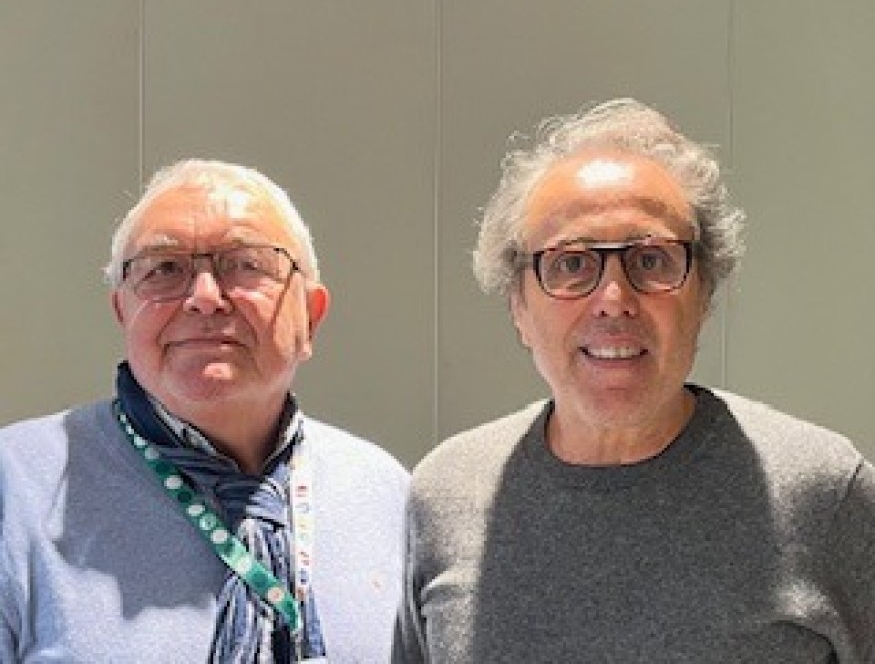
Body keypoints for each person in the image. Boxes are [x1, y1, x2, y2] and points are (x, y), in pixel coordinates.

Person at [393, 99, 875, 662]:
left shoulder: (825, 495)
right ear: (518, 305)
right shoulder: (446, 494)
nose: (614, 299)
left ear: (704, 293)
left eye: (651, 260)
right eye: (571, 263)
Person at [0, 159, 409, 662]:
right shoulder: (17, 487)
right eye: (164, 269)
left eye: (247, 264)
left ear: (311, 316)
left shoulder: (387, 493)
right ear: (123, 312)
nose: (205, 298)